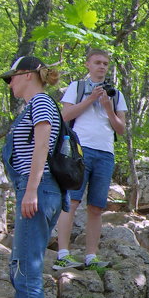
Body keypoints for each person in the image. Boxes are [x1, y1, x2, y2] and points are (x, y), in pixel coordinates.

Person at [0, 55, 64, 298]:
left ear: (27, 74)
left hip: (39, 186)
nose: (9, 83)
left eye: (11, 77)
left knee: (25, 267)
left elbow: (42, 147)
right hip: (41, 188)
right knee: (24, 264)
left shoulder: (39, 102)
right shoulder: (34, 106)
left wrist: (31, 191)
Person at [53, 47, 128, 270]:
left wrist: (107, 106)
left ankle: (91, 256)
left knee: (96, 207)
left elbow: (121, 129)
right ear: (88, 64)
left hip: (106, 153)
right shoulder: (76, 88)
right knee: (72, 201)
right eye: (97, 62)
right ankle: (63, 254)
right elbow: (65, 115)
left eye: (105, 63)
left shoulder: (116, 94)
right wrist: (90, 99)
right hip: (80, 150)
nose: (102, 67)